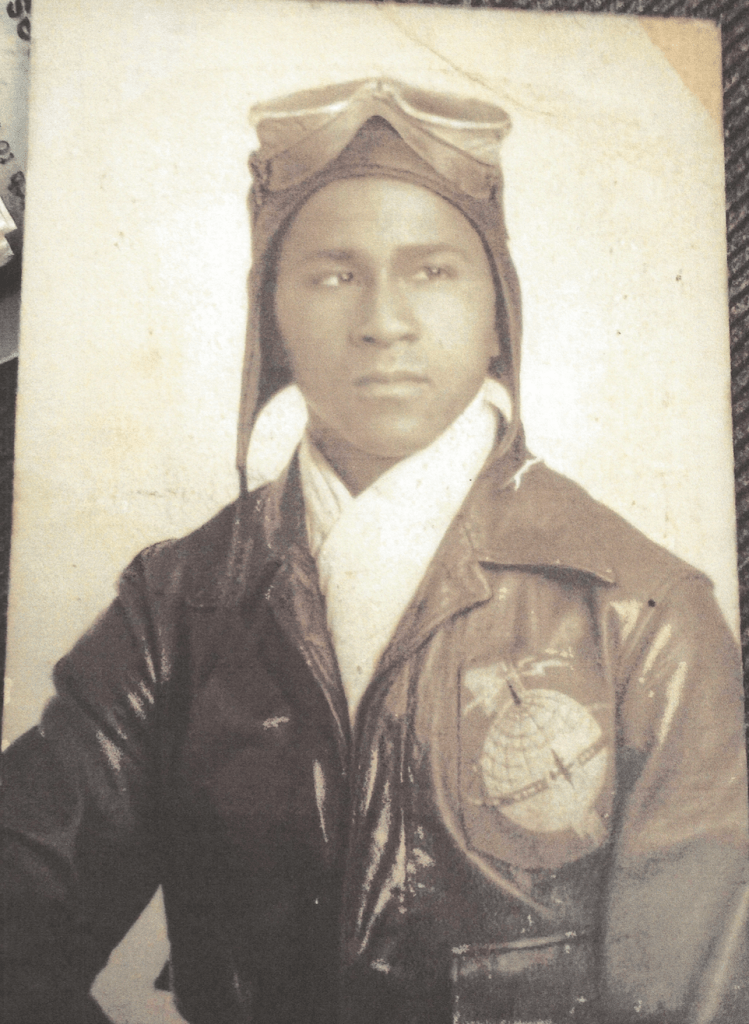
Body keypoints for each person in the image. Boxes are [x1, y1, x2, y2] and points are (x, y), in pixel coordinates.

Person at [2, 78, 748, 1024]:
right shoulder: (177, 603)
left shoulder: (640, 615)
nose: (383, 321)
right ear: (272, 316)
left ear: (497, 314)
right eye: (333, 274)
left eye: (431, 271)